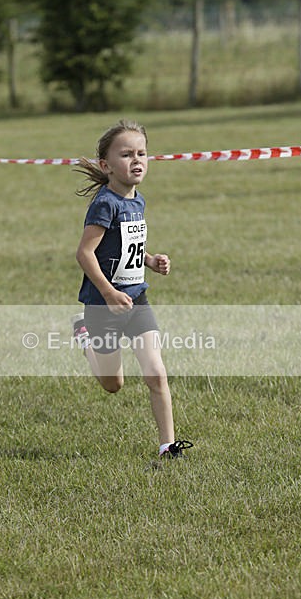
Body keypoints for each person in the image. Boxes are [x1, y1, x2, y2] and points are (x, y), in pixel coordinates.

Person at [72, 119, 192, 462]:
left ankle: (168, 446)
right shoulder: (105, 204)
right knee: (113, 385)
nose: (137, 160)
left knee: (156, 372)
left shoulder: (137, 200)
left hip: (137, 299)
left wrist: (151, 260)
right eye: (126, 154)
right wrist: (109, 293)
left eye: (142, 153)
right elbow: (85, 253)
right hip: (102, 305)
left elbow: (127, 245)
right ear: (106, 166)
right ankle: (84, 334)